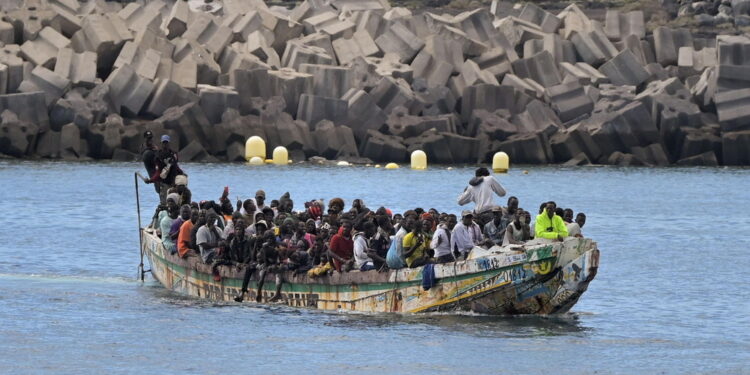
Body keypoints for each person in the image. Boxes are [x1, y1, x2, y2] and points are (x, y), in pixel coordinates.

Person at [146, 135, 184, 204]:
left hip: (174, 184)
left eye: (166, 142)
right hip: (164, 184)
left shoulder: (174, 154)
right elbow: (158, 172)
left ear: (169, 143)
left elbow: (176, 166)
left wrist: (182, 174)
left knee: (175, 202)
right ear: (161, 143)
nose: (165, 144)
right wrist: (151, 180)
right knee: (164, 203)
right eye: (164, 143)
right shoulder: (158, 156)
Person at [140, 130, 159, 195]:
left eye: (150, 138)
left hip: (157, 170)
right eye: (148, 138)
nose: (150, 140)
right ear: (145, 138)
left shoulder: (154, 147)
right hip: (153, 171)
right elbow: (145, 154)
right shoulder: (144, 148)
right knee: (158, 186)